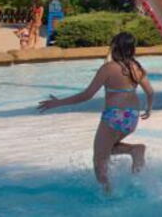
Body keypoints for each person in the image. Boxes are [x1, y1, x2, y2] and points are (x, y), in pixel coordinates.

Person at [38, 32, 154, 193]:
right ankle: (134, 150)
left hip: (113, 117)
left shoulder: (108, 68)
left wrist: (58, 103)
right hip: (132, 117)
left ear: (114, 47)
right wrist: (148, 108)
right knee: (106, 149)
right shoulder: (137, 68)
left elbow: (87, 95)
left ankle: (107, 196)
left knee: (99, 160)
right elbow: (150, 92)